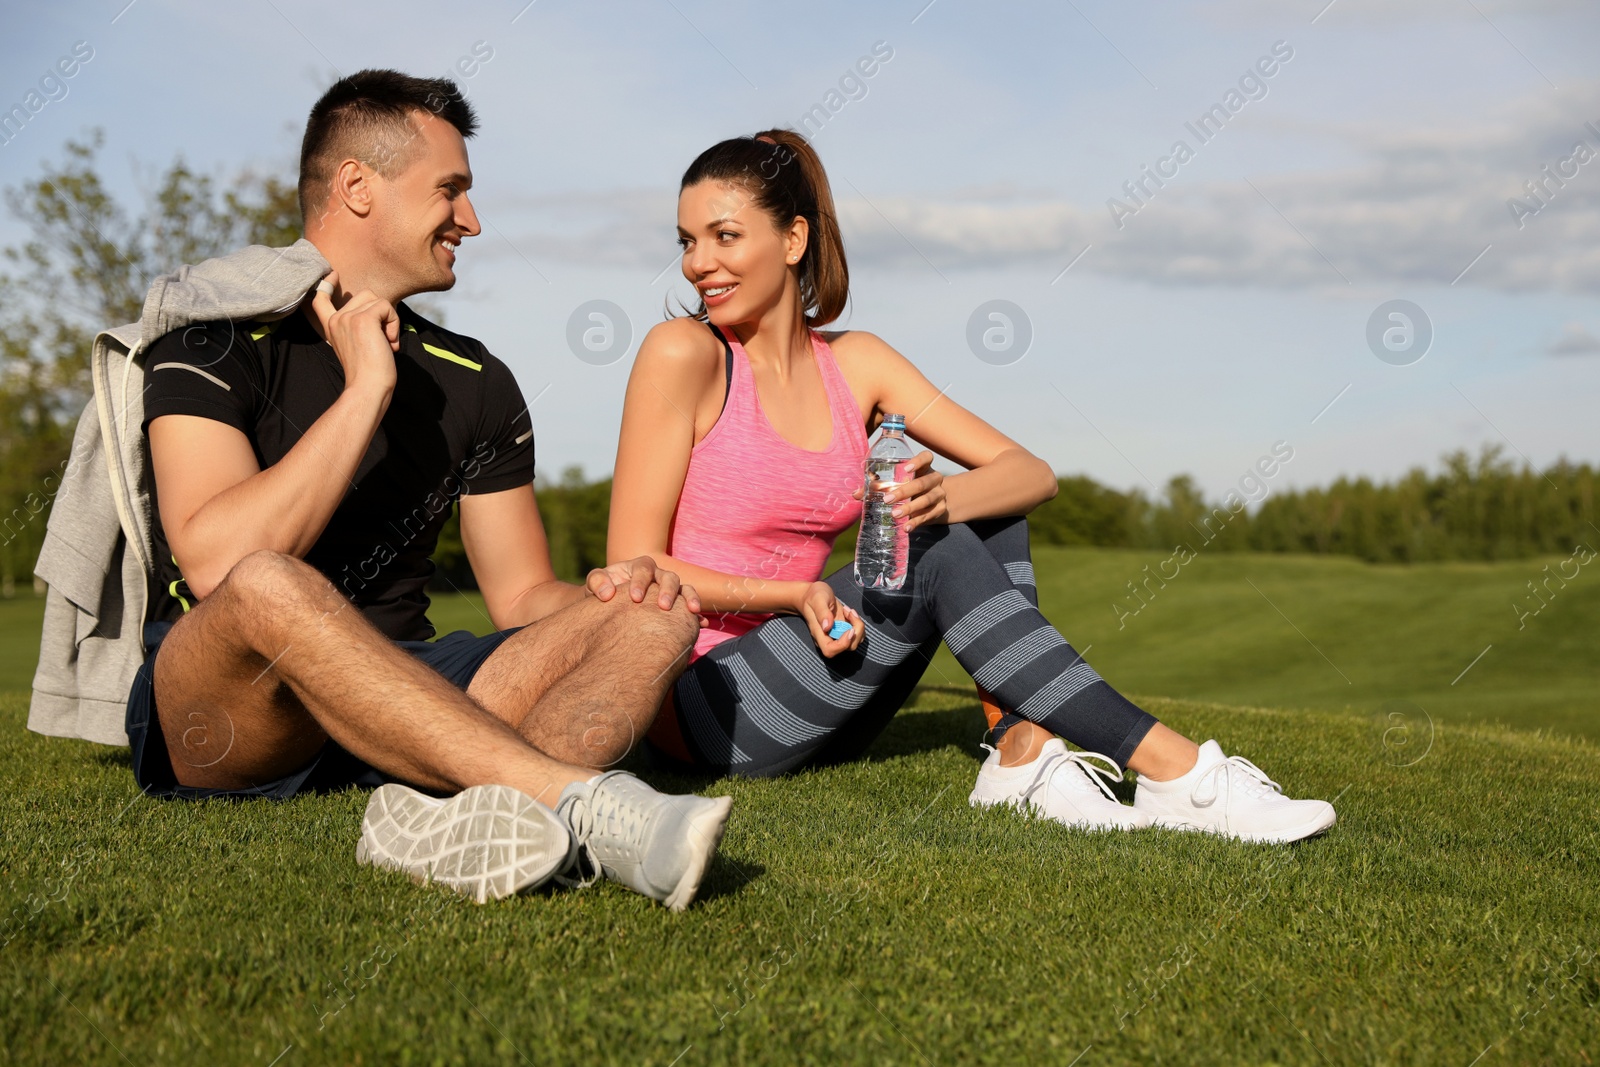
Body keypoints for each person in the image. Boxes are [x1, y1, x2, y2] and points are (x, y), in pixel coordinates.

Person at [606, 130, 1336, 843]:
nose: (699, 264)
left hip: (822, 680)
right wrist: (792, 594)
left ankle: (1022, 751)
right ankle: (1180, 773)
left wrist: (945, 497)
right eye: (686, 241)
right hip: (703, 703)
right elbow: (636, 566)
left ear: (793, 240)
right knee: (933, 546)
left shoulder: (856, 363)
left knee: (984, 508)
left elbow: (1032, 473)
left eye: (723, 236)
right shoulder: (685, 355)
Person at [126, 70, 731, 909]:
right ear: (356, 187)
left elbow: (520, 595)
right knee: (268, 580)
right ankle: (578, 805)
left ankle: (475, 824)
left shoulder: (475, 379)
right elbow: (219, 559)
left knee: (658, 612)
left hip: (419, 682)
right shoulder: (212, 334)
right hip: (237, 700)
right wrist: (366, 389)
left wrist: (613, 592)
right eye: (450, 191)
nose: (472, 221)